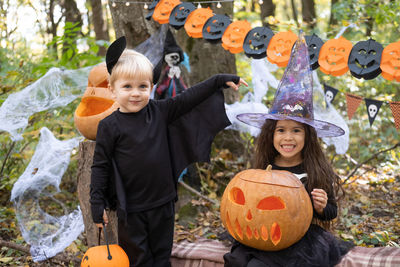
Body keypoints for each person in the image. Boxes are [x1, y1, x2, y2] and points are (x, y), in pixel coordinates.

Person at [89, 36, 247, 267]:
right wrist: (97, 203)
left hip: (163, 202)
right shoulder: (109, 126)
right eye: (127, 87)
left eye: (142, 86)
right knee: (139, 260)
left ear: (151, 88)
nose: (135, 93)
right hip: (131, 210)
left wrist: (218, 81)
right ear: (113, 89)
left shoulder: (159, 112)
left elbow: (188, 98)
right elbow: (100, 166)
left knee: (162, 256)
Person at [225, 32, 354, 266]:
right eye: (281, 130)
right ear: (271, 135)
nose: (288, 137)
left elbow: (331, 211)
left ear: (308, 136)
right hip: (263, 233)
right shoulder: (265, 167)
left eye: (296, 131)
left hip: (301, 239)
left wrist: (322, 206)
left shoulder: (314, 168)